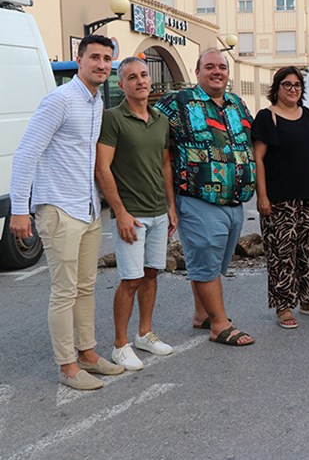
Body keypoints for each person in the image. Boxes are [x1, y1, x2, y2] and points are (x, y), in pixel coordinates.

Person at [9, 34, 125, 390]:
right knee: (64, 291)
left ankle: (87, 353)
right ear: (79, 60)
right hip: (58, 208)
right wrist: (19, 210)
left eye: (107, 59)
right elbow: (26, 154)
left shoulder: (95, 102)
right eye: (95, 57)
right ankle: (67, 366)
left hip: (88, 209)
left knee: (86, 287)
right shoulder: (59, 100)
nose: (101, 64)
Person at [155, 49, 256, 346]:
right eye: (209, 66)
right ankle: (220, 325)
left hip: (234, 201)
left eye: (222, 67)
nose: (217, 71)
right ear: (197, 71)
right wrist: (167, 201)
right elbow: (151, 139)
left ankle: (202, 315)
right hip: (197, 199)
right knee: (206, 261)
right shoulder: (177, 102)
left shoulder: (236, 104)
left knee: (213, 262)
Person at [95, 57, 177, 370]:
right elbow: (102, 168)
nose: (140, 81)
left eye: (144, 75)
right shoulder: (113, 119)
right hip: (132, 215)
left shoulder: (160, 120)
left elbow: (165, 164)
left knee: (151, 274)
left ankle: (144, 333)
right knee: (130, 279)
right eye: (132, 77)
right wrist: (120, 213)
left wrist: (171, 207)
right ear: (122, 84)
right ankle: (120, 345)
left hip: (158, 212)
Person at [252, 66, 309, 329]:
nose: (293, 89)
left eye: (297, 85)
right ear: (277, 87)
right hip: (279, 199)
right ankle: (283, 306)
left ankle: (307, 300)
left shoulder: (308, 115)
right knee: (282, 254)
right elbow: (258, 159)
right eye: (287, 84)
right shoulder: (267, 117)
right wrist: (262, 196)